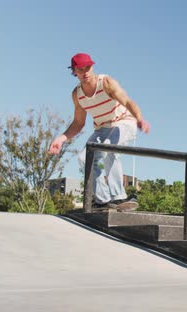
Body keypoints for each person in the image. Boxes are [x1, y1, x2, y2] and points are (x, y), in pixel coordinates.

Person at [48, 53, 150, 210]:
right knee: (84, 158)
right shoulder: (77, 95)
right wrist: (61, 138)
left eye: (87, 68)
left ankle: (118, 197)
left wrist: (139, 118)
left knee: (109, 148)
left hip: (124, 122)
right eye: (80, 70)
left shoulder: (106, 83)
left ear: (92, 67)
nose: (85, 72)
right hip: (102, 128)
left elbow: (127, 100)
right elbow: (78, 123)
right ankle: (102, 200)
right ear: (74, 71)